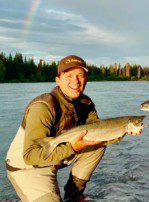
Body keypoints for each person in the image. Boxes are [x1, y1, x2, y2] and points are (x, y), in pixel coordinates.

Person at [6, 55, 142, 201]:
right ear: (57, 80)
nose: (75, 81)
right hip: (28, 166)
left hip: (57, 155)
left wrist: (123, 130)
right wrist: (72, 148)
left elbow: (101, 134)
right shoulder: (42, 107)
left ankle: (74, 194)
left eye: (80, 75)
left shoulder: (86, 103)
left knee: (97, 145)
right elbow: (30, 156)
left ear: (86, 79)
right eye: (69, 75)